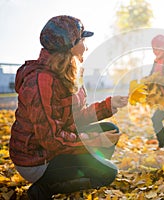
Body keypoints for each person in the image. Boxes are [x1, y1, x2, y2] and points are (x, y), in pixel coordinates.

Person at [9, 15, 128, 199]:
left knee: (110, 130)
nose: (86, 47)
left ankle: (80, 172)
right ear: (69, 46)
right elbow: (51, 139)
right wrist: (95, 140)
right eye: (82, 40)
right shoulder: (41, 81)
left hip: (53, 149)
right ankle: (43, 189)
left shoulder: (67, 72)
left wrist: (108, 105)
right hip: (37, 159)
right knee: (108, 172)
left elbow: (76, 117)